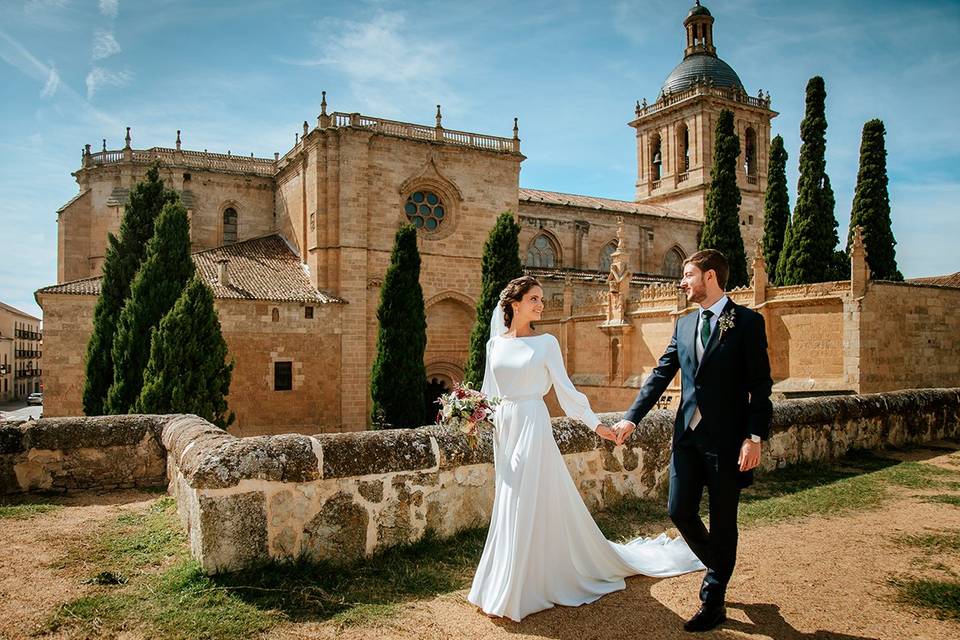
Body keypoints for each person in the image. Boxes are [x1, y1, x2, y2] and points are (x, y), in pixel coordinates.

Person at [467, 275, 703, 622]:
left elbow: (566, 393)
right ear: (514, 304)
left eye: (542, 299)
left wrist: (598, 426)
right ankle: (508, 579)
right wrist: (470, 413)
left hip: (533, 423)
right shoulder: (494, 345)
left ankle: (522, 588)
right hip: (506, 427)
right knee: (509, 496)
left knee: (523, 498)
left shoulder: (546, 343)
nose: (541, 304)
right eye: (534, 299)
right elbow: (489, 392)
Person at [614, 249, 773, 632]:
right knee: (679, 510)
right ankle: (718, 566)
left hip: (728, 441)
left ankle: (713, 598)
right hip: (686, 437)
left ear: (711, 277)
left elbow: (760, 387)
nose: (682, 282)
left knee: (723, 521)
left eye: (688, 275)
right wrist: (631, 417)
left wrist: (754, 437)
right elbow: (661, 374)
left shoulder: (748, 323)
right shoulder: (684, 326)